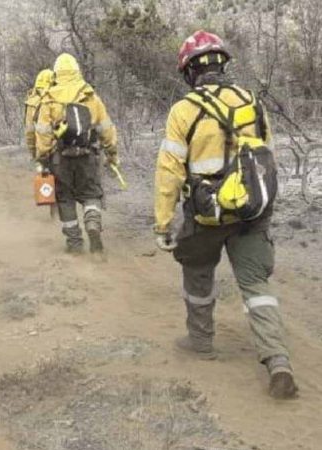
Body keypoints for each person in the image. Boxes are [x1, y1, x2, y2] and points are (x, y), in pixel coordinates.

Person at [153, 30, 296, 398]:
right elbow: (269, 158)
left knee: (197, 273)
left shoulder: (183, 111)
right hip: (252, 212)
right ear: (222, 65)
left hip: (207, 215)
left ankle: (201, 341)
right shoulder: (251, 101)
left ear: (189, 72)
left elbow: (169, 171)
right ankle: (278, 360)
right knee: (256, 286)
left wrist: (163, 222)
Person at [35, 53, 118, 254]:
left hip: (60, 159)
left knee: (65, 197)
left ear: (57, 73)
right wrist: (111, 153)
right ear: (76, 71)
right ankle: (92, 223)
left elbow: (43, 132)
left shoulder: (49, 98)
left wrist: (42, 158)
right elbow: (106, 128)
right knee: (91, 193)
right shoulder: (90, 95)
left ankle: (74, 242)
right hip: (87, 156)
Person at [25, 69, 54, 162]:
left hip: (42, 152)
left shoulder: (31, 102)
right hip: (60, 150)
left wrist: (33, 153)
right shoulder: (59, 99)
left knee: (44, 175)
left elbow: (30, 132)